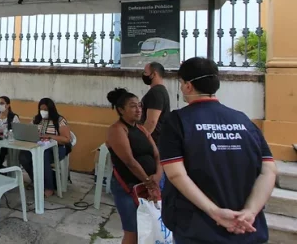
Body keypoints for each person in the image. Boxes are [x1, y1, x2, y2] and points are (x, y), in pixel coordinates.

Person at [159, 57, 277, 244]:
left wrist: (215, 213)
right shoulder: (244, 121)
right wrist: (250, 211)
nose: (181, 88)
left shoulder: (177, 122)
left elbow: (176, 175)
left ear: (188, 86)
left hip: (197, 230)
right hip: (247, 230)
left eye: (181, 84)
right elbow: (269, 170)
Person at [106, 88, 162, 244]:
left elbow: (157, 155)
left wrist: (157, 177)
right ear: (121, 109)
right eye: (133, 106)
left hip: (152, 184)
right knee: (133, 231)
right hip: (129, 186)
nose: (138, 109)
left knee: (151, 226)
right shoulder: (117, 130)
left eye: (139, 105)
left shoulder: (141, 128)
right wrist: (148, 182)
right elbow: (129, 161)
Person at [19, 98, 71, 197]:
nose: (43, 112)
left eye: (46, 109)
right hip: (37, 147)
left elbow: (66, 139)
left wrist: (50, 136)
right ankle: (37, 180)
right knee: (23, 157)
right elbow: (29, 130)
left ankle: (49, 188)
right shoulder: (37, 119)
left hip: (57, 148)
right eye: (41, 109)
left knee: (43, 157)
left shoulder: (60, 120)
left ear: (51, 109)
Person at [140, 62, 170, 144]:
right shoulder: (159, 91)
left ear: (154, 74)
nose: (143, 75)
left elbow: (151, 121)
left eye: (145, 72)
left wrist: (140, 140)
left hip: (153, 141)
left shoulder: (156, 93)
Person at [0, 96, 20, 168]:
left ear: (8, 105)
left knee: (0, 150)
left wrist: (6, 133)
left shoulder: (13, 117)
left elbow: (17, 132)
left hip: (7, 142)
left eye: (1, 103)